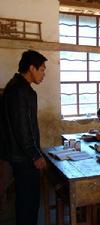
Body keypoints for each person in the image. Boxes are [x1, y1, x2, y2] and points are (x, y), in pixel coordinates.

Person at [2, 50, 47, 225]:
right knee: (28, 202)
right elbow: (23, 128)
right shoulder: (21, 91)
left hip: (19, 155)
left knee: (24, 200)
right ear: (31, 68)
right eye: (42, 69)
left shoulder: (15, 87)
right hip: (24, 157)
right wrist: (35, 154)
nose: (44, 74)